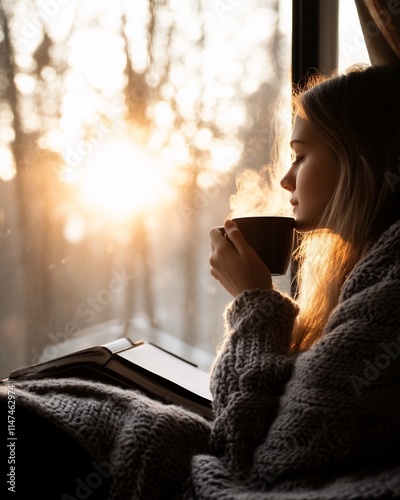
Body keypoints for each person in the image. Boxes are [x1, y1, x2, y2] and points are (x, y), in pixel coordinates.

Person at [2, 63, 400, 499]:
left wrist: (254, 301)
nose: (287, 178)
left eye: (301, 156)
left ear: (360, 160)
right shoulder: (370, 271)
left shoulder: (388, 290)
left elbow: (263, 457)